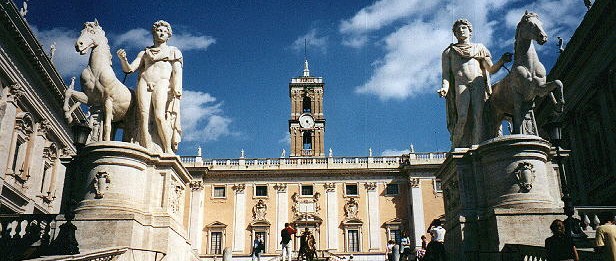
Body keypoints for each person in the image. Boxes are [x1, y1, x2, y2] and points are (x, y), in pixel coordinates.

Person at [438, 18, 512, 148]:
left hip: (477, 83)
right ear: (454, 34)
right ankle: (456, 147)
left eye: (463, 28)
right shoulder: (449, 52)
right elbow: (446, 75)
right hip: (460, 84)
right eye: (457, 30)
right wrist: (445, 88)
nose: (461, 31)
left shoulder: (479, 48)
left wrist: (501, 61)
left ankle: (477, 148)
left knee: (479, 117)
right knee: (461, 117)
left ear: (470, 31)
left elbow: (491, 69)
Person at [117, 20, 183, 153]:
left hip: (162, 83)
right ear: (154, 33)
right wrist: (123, 59)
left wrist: (177, 89)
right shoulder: (145, 53)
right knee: (143, 116)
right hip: (144, 82)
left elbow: (177, 72)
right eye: (159, 30)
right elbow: (129, 69)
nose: (161, 33)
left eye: (165, 31)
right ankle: (146, 149)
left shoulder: (173, 52)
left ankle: (167, 149)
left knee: (159, 115)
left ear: (169, 35)